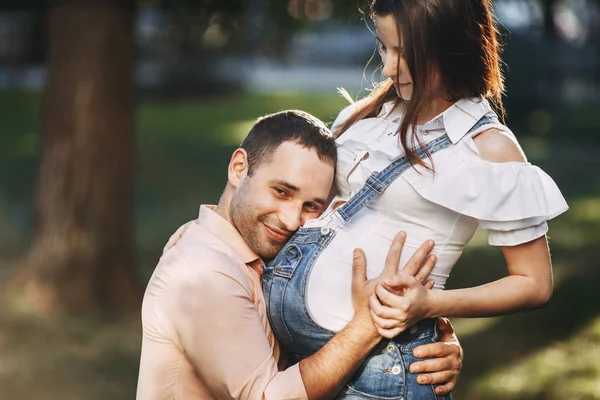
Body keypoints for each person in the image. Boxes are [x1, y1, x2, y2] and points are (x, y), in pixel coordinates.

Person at [262, 0, 569, 399]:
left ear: (451, 45)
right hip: (304, 362)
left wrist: (429, 305)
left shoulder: (487, 148)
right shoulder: (366, 117)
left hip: (383, 374)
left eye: (406, 54)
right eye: (385, 48)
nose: (388, 68)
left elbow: (534, 284)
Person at [136, 110, 463, 400]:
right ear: (238, 169)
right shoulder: (205, 274)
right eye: (281, 191)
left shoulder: (253, 256)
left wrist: (425, 348)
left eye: (311, 206)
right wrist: (371, 323)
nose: (292, 220)